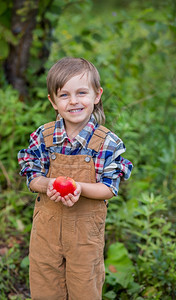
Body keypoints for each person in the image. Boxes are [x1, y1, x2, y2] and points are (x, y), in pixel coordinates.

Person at [18, 57, 133, 300]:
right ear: (53, 101)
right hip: (45, 234)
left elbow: (109, 188)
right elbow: (32, 176)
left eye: (82, 93)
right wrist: (47, 184)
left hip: (85, 237)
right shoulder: (43, 137)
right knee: (44, 283)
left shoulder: (107, 142)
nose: (74, 101)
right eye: (64, 95)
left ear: (97, 95)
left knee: (85, 286)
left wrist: (79, 187)